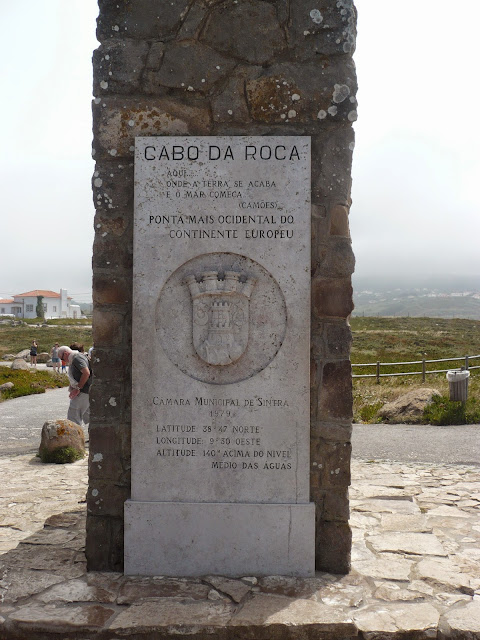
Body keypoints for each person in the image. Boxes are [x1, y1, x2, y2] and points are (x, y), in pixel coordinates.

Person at [57, 345, 91, 427]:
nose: (63, 361)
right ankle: (94, 437)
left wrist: (78, 388)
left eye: (62, 358)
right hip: (87, 390)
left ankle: (74, 438)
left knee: (73, 415)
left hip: (83, 391)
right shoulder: (78, 357)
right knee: (88, 415)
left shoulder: (76, 358)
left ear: (65, 353)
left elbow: (86, 373)